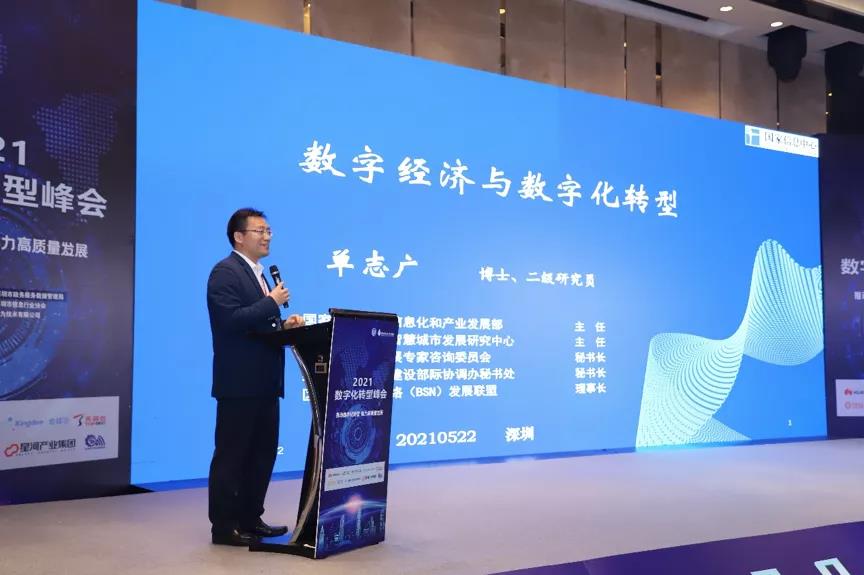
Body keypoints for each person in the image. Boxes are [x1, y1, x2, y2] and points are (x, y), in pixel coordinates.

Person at [206, 208, 304, 546]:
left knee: (262, 455)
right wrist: (272, 303)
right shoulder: (225, 272)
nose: (267, 236)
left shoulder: (259, 274)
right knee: (232, 456)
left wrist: (284, 326)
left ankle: (250, 518)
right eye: (259, 230)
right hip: (239, 384)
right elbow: (230, 321)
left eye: (268, 231)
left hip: (266, 382)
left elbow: (256, 325)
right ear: (239, 236)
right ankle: (224, 527)